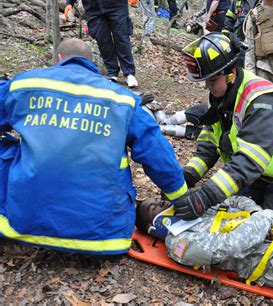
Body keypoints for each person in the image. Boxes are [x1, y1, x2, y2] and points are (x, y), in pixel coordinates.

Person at [0, 39, 188, 255]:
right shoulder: (122, 99)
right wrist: (181, 199)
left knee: (10, 148)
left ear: (59, 59)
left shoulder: (24, 85)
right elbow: (156, 152)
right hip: (103, 236)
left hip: (23, 223)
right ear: (92, 65)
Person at [175, 32, 273, 227]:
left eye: (212, 80)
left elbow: (250, 160)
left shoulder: (261, 102)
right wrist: (188, 177)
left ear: (230, 73)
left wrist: (206, 196)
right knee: (237, 216)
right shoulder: (222, 98)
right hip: (257, 176)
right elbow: (210, 143)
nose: (207, 86)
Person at [136, 196, 273, 304]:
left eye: (157, 199)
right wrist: (265, 216)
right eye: (154, 207)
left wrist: (256, 211)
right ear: (152, 228)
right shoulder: (180, 244)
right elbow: (233, 246)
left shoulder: (194, 210)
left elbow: (235, 200)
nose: (162, 202)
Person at [65, 0, 140, 88]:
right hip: (93, 7)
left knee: (122, 38)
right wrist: (69, 2)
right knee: (102, 40)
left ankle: (129, 73)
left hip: (117, 4)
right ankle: (112, 72)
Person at [223, 0, 262, 67]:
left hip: (258, 47)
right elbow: (229, 21)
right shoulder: (237, 1)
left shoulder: (264, 2)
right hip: (239, 46)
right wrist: (228, 37)